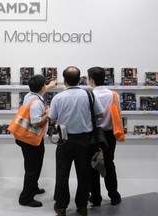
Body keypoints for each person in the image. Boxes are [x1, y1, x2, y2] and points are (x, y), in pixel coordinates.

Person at [48, 66, 104, 216]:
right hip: (85, 141)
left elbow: (52, 118)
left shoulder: (58, 98)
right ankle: (82, 206)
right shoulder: (90, 95)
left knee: (62, 173)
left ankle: (61, 207)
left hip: (64, 140)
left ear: (64, 80)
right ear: (80, 79)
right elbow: (100, 114)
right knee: (84, 174)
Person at [17, 75, 57, 207]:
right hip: (31, 140)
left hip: (26, 138)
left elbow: (42, 90)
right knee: (33, 169)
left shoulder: (30, 96)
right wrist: (48, 113)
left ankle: (33, 187)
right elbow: (35, 122)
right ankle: (26, 198)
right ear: (42, 87)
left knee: (31, 166)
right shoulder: (36, 103)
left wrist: (50, 85)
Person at [87, 66, 122, 206]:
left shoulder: (89, 95)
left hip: (93, 134)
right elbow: (117, 113)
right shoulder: (113, 95)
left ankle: (96, 197)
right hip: (109, 134)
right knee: (109, 164)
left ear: (91, 79)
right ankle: (114, 196)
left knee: (93, 165)